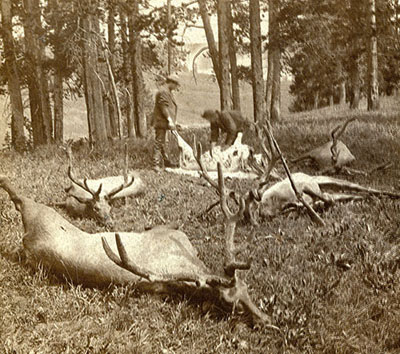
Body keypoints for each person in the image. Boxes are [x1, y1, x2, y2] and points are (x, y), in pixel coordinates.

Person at [152, 75, 181, 172]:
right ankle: (155, 164)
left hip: (164, 121)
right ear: (171, 82)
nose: (176, 87)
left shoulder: (167, 91)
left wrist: (174, 120)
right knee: (159, 142)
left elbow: (169, 107)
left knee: (163, 143)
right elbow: (163, 108)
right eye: (176, 85)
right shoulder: (163, 91)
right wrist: (169, 120)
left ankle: (166, 161)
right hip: (161, 121)